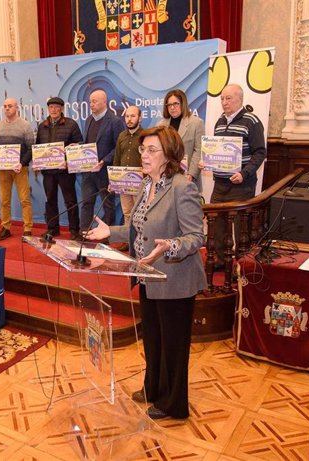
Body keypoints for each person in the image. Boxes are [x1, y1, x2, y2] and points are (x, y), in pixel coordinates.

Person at [85, 126, 207, 420]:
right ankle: (153, 389)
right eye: (143, 150)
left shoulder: (182, 187)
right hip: (147, 276)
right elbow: (136, 226)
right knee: (153, 339)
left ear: (169, 155)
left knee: (173, 347)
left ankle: (173, 405)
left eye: (152, 150)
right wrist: (108, 232)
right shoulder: (145, 185)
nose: (144, 155)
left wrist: (171, 246)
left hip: (174, 278)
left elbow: (196, 236)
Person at [211, 84, 267, 265]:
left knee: (241, 229)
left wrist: (244, 173)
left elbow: (260, 152)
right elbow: (216, 150)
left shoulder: (252, 121)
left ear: (240, 100)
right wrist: (208, 161)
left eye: (229, 98)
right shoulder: (219, 122)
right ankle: (220, 261)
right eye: (222, 99)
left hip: (242, 184)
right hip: (220, 184)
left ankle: (243, 267)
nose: (224, 102)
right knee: (217, 225)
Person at [35, 96, 84, 239]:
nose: (54, 110)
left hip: (65, 171)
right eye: (51, 107)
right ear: (48, 109)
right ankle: (53, 228)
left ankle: (74, 230)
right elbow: (38, 146)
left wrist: (70, 157)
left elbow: (79, 143)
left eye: (57, 107)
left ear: (62, 109)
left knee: (70, 201)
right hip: (48, 172)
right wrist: (37, 162)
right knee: (50, 200)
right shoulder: (42, 126)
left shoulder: (71, 124)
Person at [80, 89, 125, 232]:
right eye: (90, 101)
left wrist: (104, 161)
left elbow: (118, 147)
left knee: (108, 204)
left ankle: (107, 235)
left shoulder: (115, 121)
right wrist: (77, 148)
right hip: (88, 172)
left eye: (94, 101)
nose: (91, 104)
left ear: (104, 102)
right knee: (86, 203)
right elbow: (88, 144)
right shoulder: (89, 120)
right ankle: (84, 233)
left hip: (105, 172)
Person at [0, 98, 34, 240]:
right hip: (3, 169)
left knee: (24, 200)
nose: (7, 108)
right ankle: (6, 227)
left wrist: (21, 163)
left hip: (19, 169)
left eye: (10, 106)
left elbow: (30, 148)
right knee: (4, 200)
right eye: (5, 106)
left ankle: (28, 229)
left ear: (17, 107)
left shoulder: (25, 125)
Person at [157, 89, 205, 191]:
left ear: (183, 104)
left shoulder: (196, 123)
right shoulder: (160, 125)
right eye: (169, 105)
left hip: (187, 178)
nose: (172, 107)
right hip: (165, 177)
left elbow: (199, 151)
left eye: (175, 104)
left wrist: (191, 174)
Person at [113, 105, 143, 251]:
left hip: (140, 183)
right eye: (127, 116)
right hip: (123, 182)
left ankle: (139, 241)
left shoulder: (146, 136)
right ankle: (127, 240)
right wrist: (114, 180)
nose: (129, 119)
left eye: (133, 116)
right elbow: (117, 159)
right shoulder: (121, 136)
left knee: (139, 213)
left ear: (140, 118)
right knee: (127, 212)